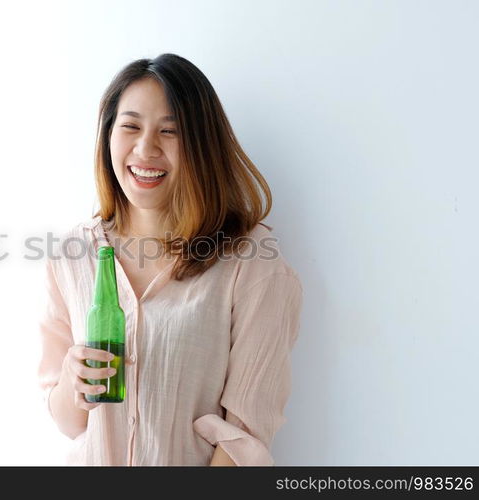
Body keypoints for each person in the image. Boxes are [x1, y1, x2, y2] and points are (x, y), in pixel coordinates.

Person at [37, 53, 303, 466]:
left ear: (201, 144)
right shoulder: (72, 254)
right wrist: (73, 381)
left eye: (170, 131)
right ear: (108, 134)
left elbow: (245, 440)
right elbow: (69, 424)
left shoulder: (250, 260)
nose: (146, 148)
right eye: (130, 126)